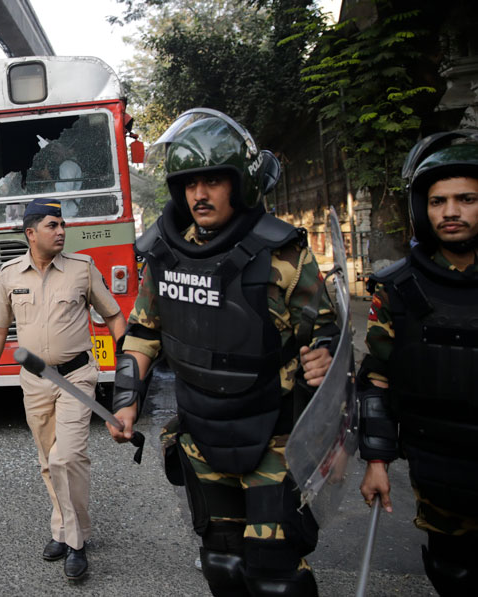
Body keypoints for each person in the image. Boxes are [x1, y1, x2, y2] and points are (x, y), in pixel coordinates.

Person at [107, 108, 337, 596]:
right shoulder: (164, 255)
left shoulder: (283, 253)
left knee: (275, 572)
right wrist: (125, 401)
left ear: (240, 184)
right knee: (222, 562)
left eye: (213, 180)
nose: (199, 194)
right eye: (190, 183)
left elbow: (326, 330)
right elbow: (143, 334)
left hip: (272, 429)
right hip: (200, 428)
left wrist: (326, 354)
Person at [0, 197, 126, 580]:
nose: (61, 232)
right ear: (31, 233)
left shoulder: (82, 268)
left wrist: (129, 376)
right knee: (48, 461)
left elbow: (113, 316)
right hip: (35, 381)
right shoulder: (9, 275)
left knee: (67, 457)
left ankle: (76, 543)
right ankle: (62, 526)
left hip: (76, 377)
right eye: (52, 226)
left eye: (62, 226)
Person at [357, 130, 478, 595]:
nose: (449, 212)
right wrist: (377, 460)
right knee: (453, 574)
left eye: (466, 198)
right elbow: (376, 380)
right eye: (437, 201)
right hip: (438, 468)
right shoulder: (397, 289)